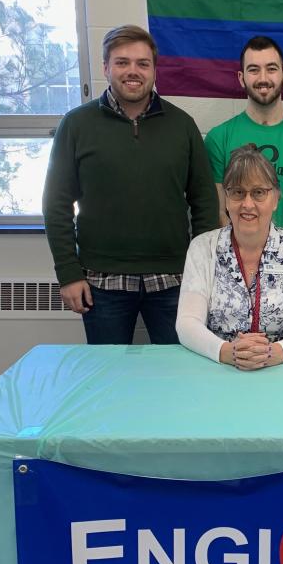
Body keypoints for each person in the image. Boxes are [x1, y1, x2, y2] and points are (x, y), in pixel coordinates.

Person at [43, 24, 219, 345]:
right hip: (100, 282)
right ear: (105, 68)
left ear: (154, 70)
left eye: (142, 63)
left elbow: (205, 203)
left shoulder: (182, 125)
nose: (133, 71)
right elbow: (56, 205)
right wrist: (68, 274)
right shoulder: (76, 125)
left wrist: (202, 272)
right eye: (122, 62)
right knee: (108, 371)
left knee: (179, 369)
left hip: (174, 280)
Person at [176, 145, 283, 370]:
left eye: (258, 192)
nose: (247, 204)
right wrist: (226, 352)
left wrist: (276, 352)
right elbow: (187, 323)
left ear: (276, 199)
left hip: (281, 369)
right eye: (238, 192)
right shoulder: (202, 248)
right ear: (226, 198)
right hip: (219, 369)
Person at [205, 36, 283, 236]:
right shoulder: (218, 138)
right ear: (241, 78)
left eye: (271, 68)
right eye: (253, 69)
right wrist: (242, 248)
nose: (263, 78)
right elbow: (218, 211)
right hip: (235, 252)